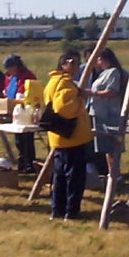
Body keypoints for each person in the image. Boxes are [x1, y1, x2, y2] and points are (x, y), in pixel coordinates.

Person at [44, 48, 93, 220]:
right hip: (71, 137)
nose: (76, 66)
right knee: (74, 178)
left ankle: (57, 209)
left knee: (59, 178)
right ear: (65, 64)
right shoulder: (64, 82)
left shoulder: (53, 81)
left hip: (59, 138)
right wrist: (81, 99)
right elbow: (64, 109)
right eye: (72, 62)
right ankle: (71, 211)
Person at [87, 47, 126, 176]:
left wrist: (93, 93)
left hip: (109, 112)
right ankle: (111, 172)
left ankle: (116, 173)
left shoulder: (114, 72)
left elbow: (112, 91)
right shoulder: (103, 73)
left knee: (111, 145)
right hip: (98, 112)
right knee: (104, 146)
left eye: (99, 58)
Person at [3, 54, 37, 173]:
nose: (7, 71)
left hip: (26, 111)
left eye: (9, 68)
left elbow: (29, 93)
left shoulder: (27, 76)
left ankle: (30, 163)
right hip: (14, 112)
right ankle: (22, 161)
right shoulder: (10, 77)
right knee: (18, 139)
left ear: (16, 66)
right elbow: (7, 91)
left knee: (26, 138)